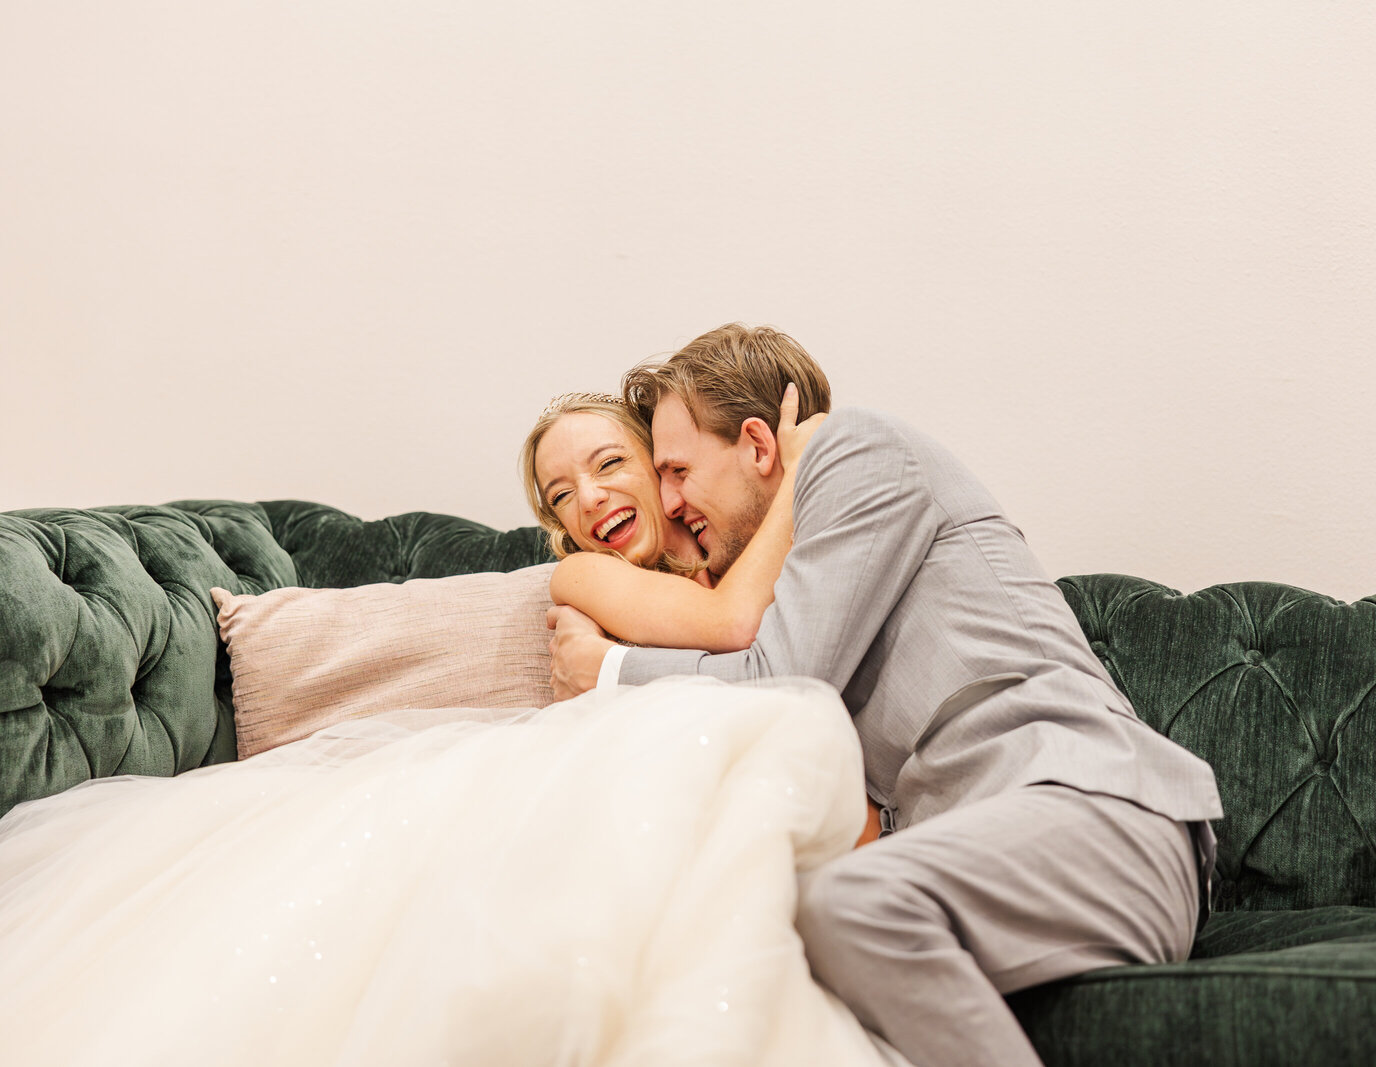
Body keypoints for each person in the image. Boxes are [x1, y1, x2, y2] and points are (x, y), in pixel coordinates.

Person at [0, 391, 906, 1066]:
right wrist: (805, 461)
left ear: (663, 469)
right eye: (561, 494)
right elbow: (736, 632)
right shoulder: (586, 582)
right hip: (581, 771)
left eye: (610, 465)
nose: (588, 498)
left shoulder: (716, 564)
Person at [547, 323, 1226, 1067]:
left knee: (841, 905)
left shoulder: (855, 451)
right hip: (986, 856)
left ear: (758, 443)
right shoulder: (789, 576)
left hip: (1095, 806)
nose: (668, 500)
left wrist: (609, 668)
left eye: (676, 471)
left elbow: (781, 676)